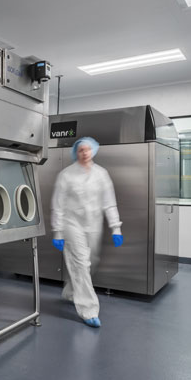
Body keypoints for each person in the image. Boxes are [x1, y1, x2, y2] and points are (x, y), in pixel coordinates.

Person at [50, 136, 123, 327]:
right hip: (71, 224)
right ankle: (88, 310)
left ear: (93, 151)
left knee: (89, 263)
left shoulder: (101, 174)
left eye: (87, 149)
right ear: (76, 152)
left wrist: (116, 228)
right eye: (81, 150)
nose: (84, 153)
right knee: (81, 263)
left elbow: (109, 202)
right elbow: (58, 205)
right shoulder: (66, 175)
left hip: (94, 224)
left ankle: (70, 291)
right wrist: (57, 231)